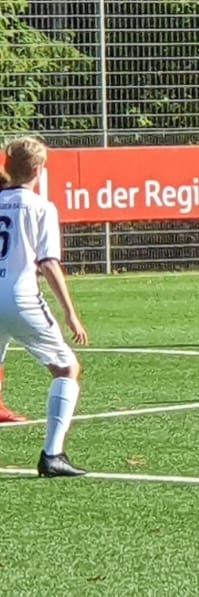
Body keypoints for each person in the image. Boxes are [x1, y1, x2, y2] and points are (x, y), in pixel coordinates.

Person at [0, 137, 89, 476]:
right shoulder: (41, 207)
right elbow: (49, 263)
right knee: (67, 369)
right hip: (20, 298)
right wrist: (70, 313)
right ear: (39, 170)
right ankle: (53, 455)